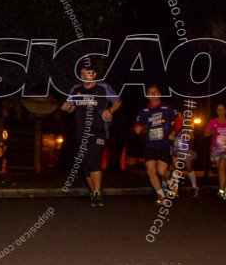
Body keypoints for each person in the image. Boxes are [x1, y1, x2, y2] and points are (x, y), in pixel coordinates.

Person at [61, 62, 121, 207]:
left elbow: (118, 102)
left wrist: (110, 111)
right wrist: (67, 108)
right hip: (82, 132)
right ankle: (93, 191)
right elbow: (70, 108)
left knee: (95, 159)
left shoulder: (103, 88)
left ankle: (97, 193)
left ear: (94, 75)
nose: (84, 76)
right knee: (86, 165)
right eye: (82, 74)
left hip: (99, 130)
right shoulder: (76, 89)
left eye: (87, 73)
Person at [133, 85, 181, 205]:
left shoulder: (167, 108)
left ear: (159, 94)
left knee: (161, 171)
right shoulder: (144, 111)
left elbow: (179, 121)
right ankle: (161, 195)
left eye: (155, 92)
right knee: (150, 171)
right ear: (148, 96)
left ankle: (171, 181)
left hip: (164, 144)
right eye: (150, 93)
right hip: (150, 145)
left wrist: (174, 132)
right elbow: (138, 126)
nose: (153, 94)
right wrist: (138, 129)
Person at [204, 104, 226, 199]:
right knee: (220, 170)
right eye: (218, 110)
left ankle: (221, 189)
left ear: (225, 111)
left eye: (222, 110)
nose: (220, 111)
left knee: (222, 168)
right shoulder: (213, 122)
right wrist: (211, 132)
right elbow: (205, 133)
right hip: (216, 149)